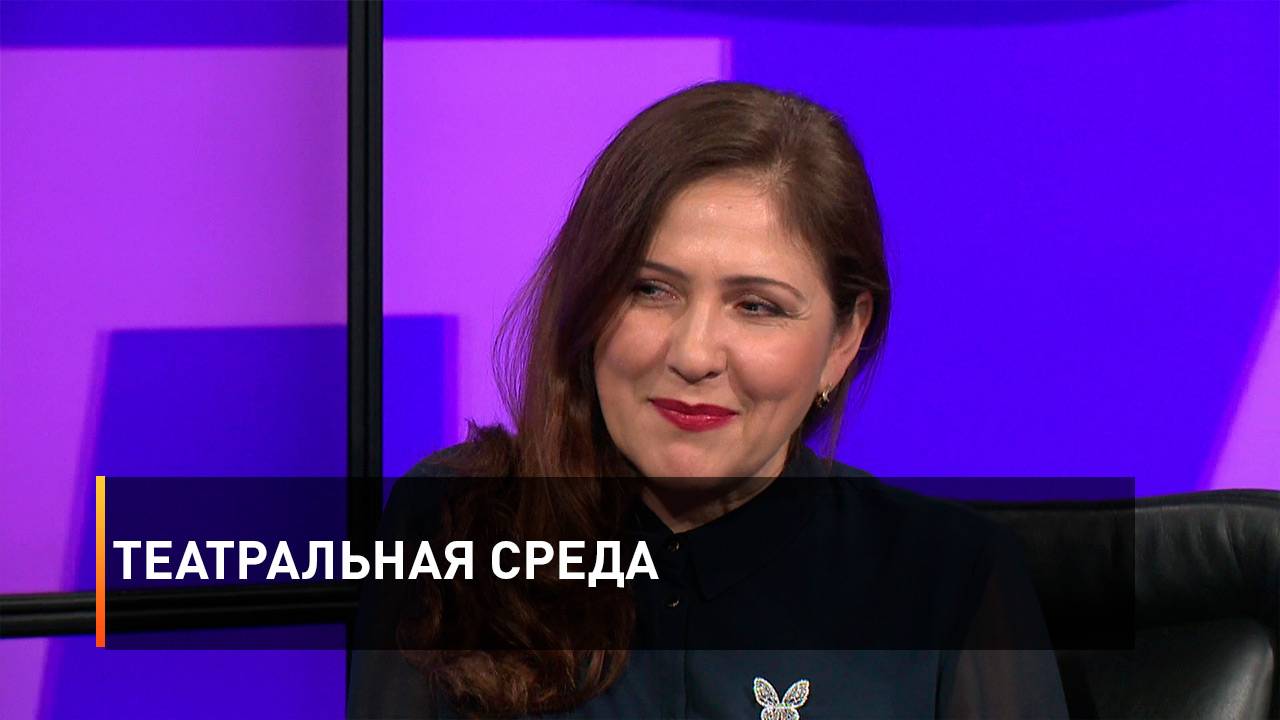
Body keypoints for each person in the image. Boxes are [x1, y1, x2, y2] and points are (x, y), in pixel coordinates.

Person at [348, 80, 1069, 719]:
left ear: (844, 338)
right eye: (650, 290)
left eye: (757, 306)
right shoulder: (452, 525)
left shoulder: (951, 580)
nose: (693, 355)